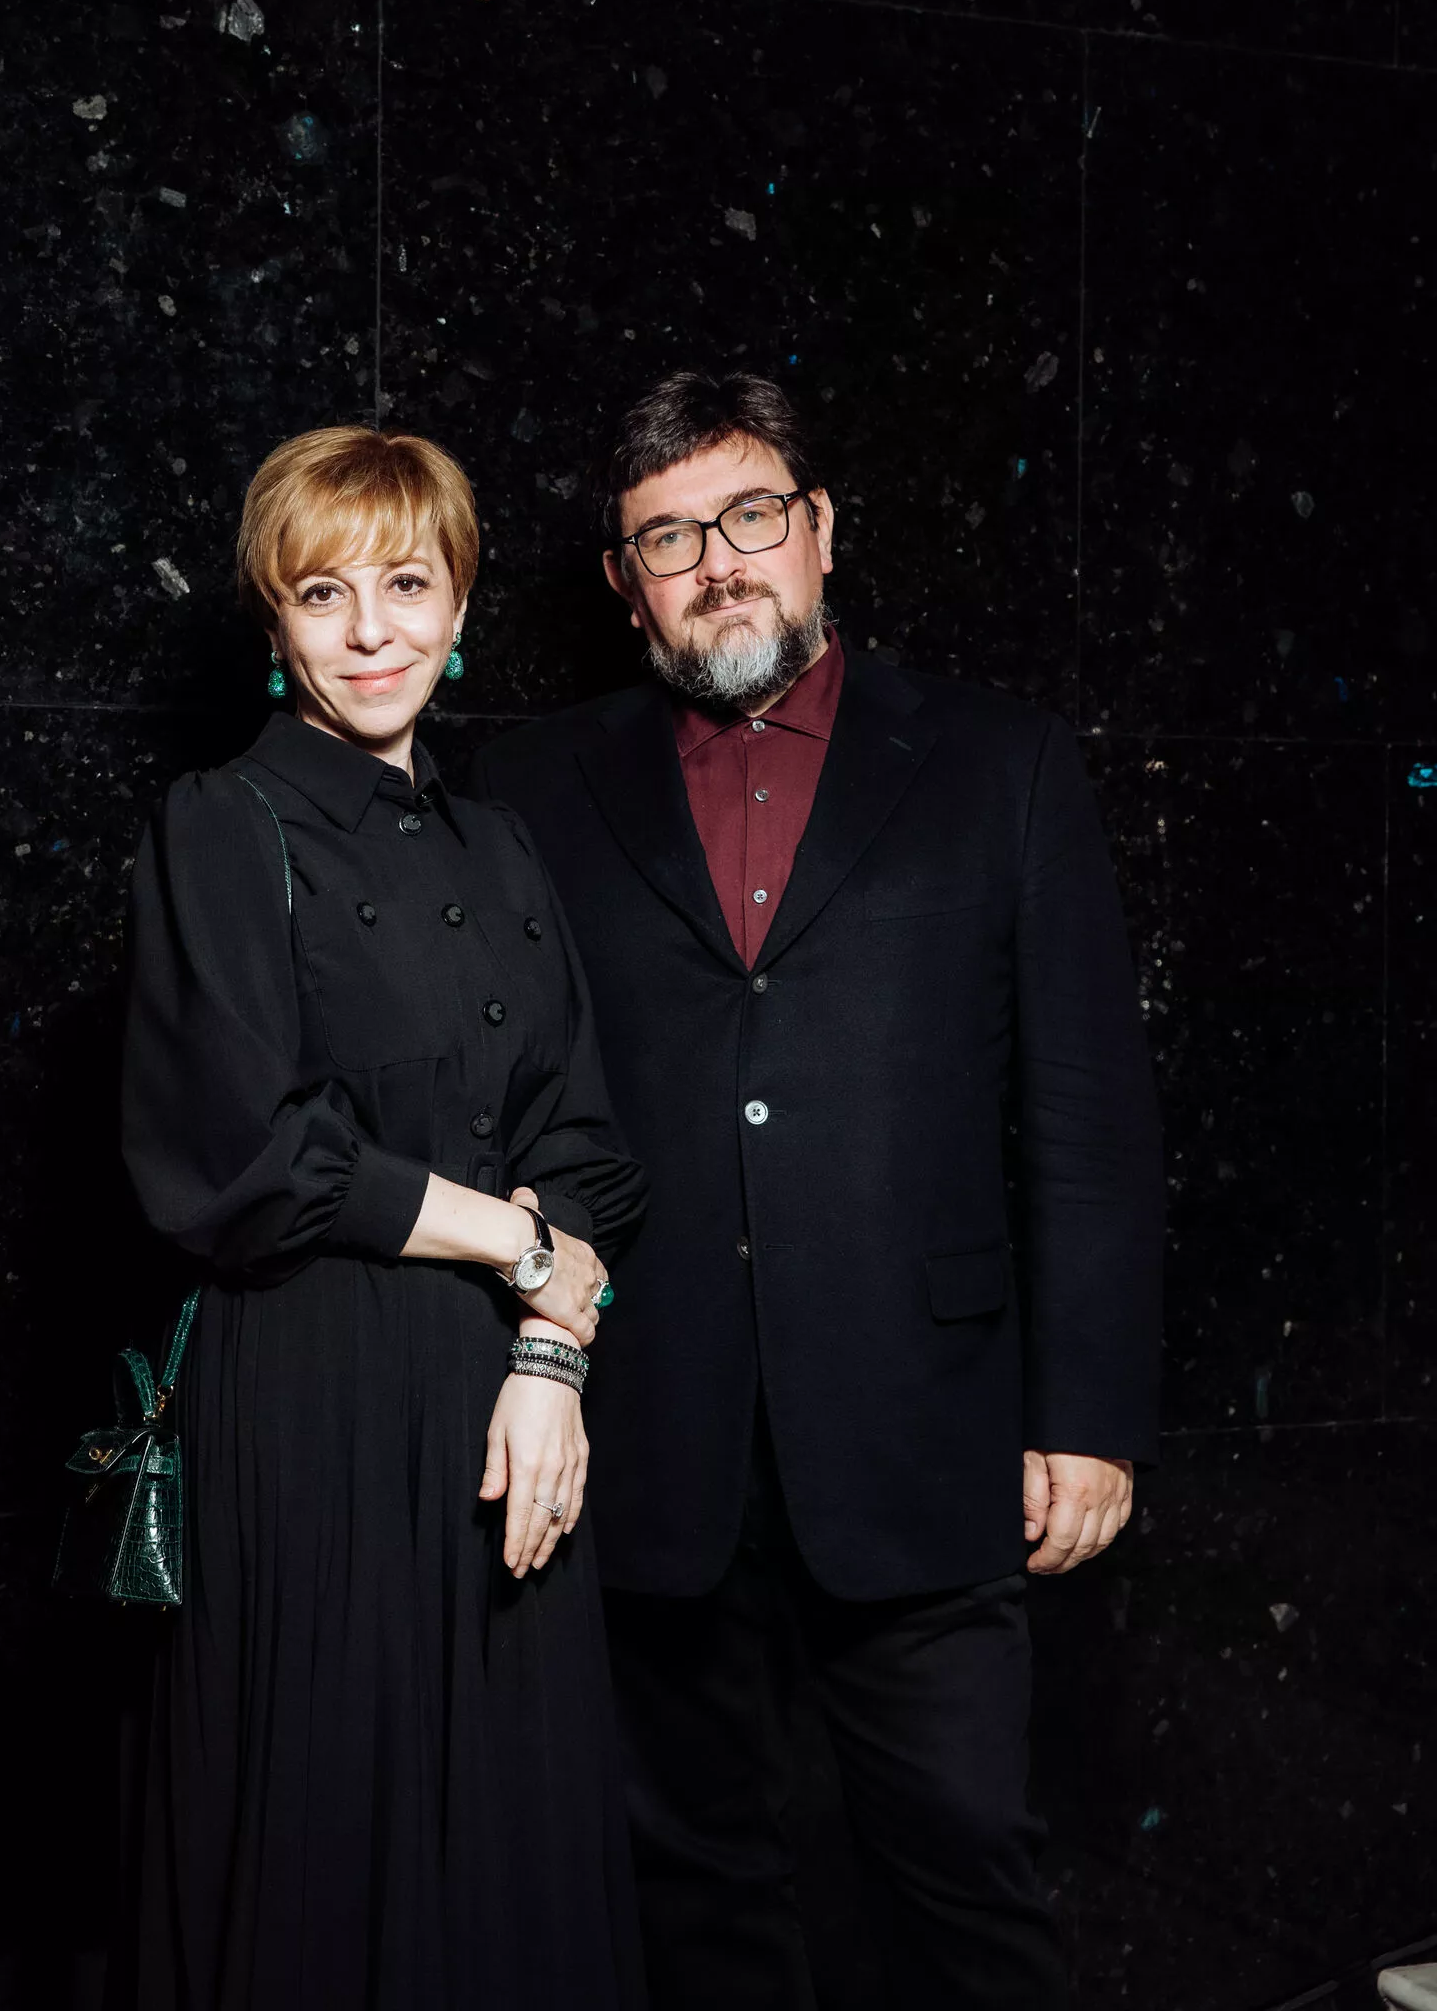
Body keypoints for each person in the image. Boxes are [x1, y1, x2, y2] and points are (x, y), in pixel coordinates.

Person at [470, 370, 1166, 2010]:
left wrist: (1089, 1413)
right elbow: (504, 1101)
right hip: (651, 1432)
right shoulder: (536, 786)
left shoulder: (1000, 763)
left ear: (823, 528)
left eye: (751, 514)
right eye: (669, 537)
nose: (719, 561)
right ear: (625, 583)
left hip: (926, 1432)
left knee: (965, 1873)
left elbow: (1086, 1115)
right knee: (693, 1893)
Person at [116, 425, 647, 2011]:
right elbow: (246, 1160)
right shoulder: (224, 823)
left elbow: (590, 1141)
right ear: (274, 624)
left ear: (459, 602)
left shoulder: (503, 843)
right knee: (329, 1851)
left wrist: (550, 1358)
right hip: (313, 1407)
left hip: (514, 1421)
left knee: (510, 1859)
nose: (370, 632)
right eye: (323, 593)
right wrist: (524, 1250)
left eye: (407, 585)